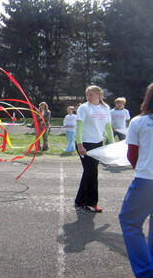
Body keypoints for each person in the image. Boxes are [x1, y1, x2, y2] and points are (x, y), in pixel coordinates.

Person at [119, 83, 153, 278]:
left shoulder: (139, 122)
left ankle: (146, 272)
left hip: (146, 180)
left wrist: (140, 169)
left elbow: (132, 154)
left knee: (130, 222)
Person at [75, 85, 114, 212]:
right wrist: (80, 145)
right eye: (87, 95)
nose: (88, 97)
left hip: (98, 142)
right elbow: (78, 128)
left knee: (89, 171)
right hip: (85, 143)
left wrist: (112, 144)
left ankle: (80, 200)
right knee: (92, 172)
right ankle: (91, 202)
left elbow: (108, 127)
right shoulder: (84, 108)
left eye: (91, 95)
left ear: (99, 95)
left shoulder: (106, 108)